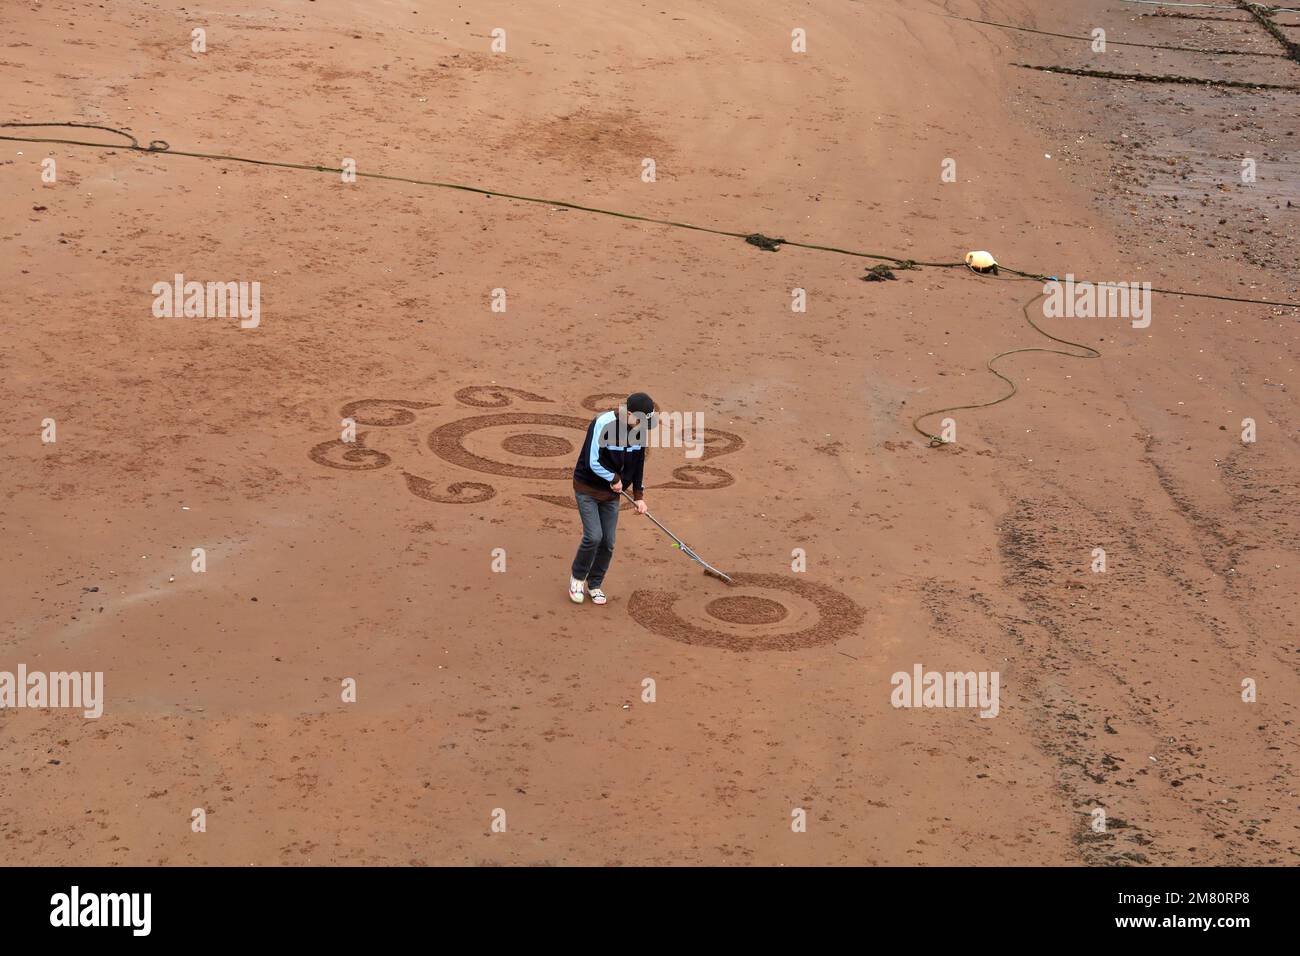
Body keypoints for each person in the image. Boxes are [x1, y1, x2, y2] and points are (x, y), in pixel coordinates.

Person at [569, 392, 653, 605]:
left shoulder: (639, 430)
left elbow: (638, 464)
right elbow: (592, 460)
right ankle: (577, 578)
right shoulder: (603, 423)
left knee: (608, 542)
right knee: (593, 537)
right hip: (587, 488)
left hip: (611, 494)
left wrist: (639, 496)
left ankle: (595, 584)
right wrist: (614, 477)